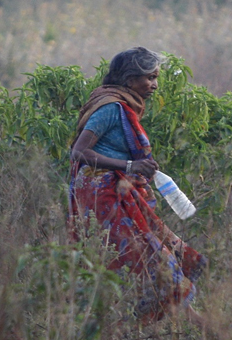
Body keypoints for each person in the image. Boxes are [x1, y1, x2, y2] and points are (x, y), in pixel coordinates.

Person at [69, 47, 207, 324]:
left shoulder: (124, 106)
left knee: (156, 257)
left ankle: (139, 330)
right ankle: (202, 328)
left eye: (156, 77)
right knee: (144, 259)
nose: (154, 84)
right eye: (149, 77)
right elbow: (80, 153)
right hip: (105, 200)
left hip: (119, 195)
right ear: (129, 79)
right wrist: (130, 167)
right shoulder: (110, 108)